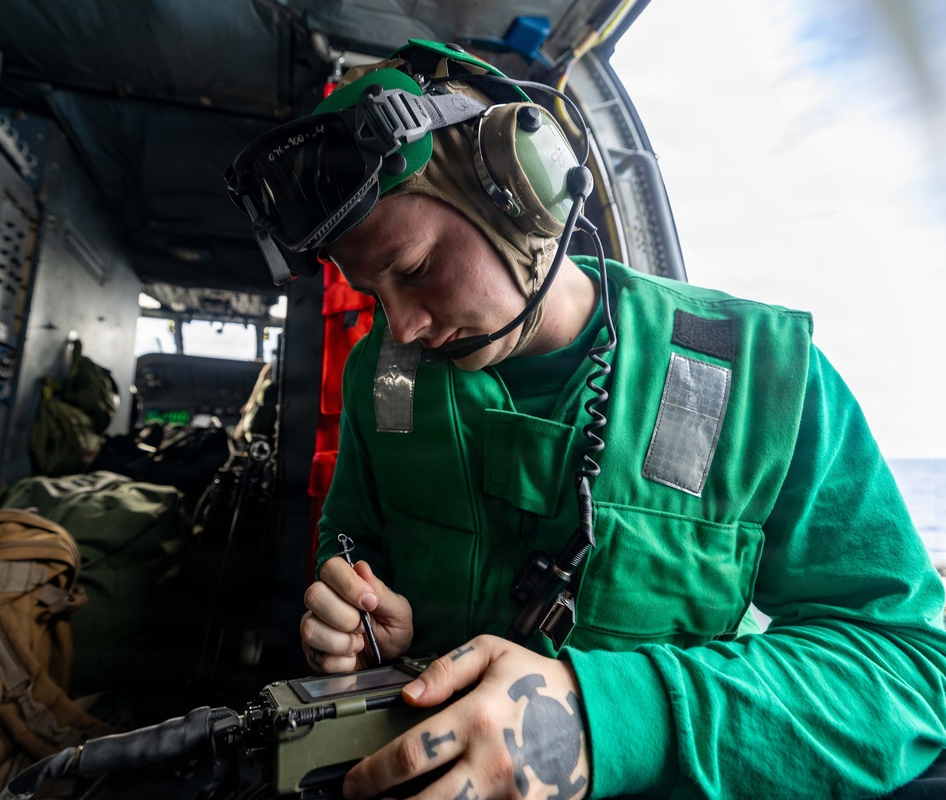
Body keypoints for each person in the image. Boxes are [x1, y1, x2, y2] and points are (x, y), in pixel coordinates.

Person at [228, 40, 946, 799]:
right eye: (375, 293)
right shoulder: (386, 373)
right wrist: (359, 621)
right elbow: (352, 540)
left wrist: (609, 718)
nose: (399, 327)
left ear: (518, 189)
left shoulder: (760, 376)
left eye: (413, 270)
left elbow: (907, 668)